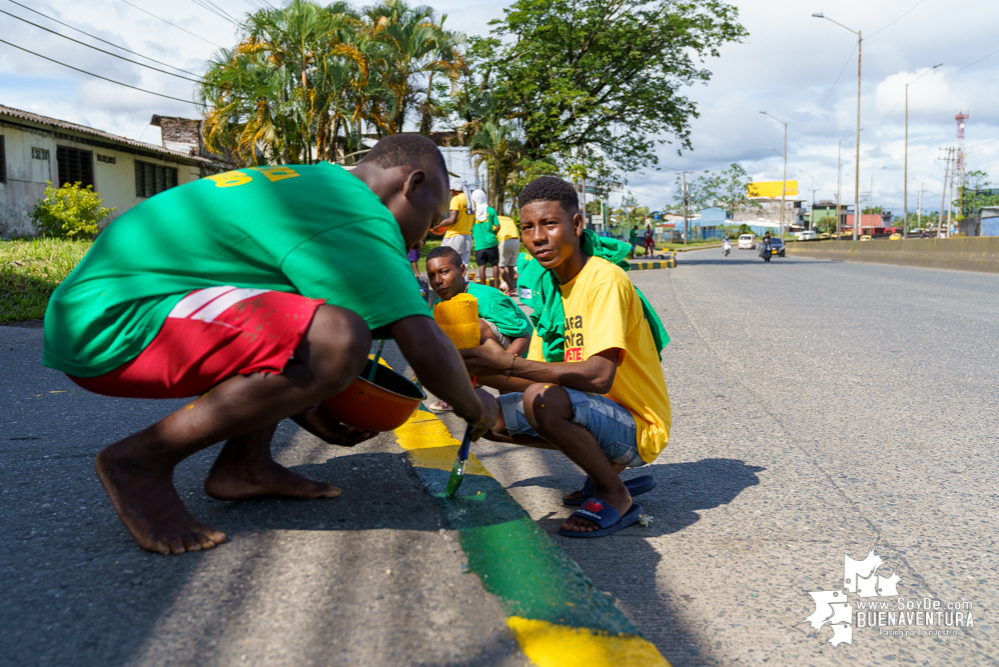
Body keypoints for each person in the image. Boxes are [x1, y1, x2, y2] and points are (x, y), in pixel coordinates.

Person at [43, 133, 498, 555]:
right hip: (110, 321)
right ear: (412, 184)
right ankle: (138, 461)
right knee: (340, 337)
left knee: (314, 316)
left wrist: (308, 401)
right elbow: (420, 341)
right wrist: (476, 409)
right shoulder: (356, 211)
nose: (424, 237)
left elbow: (287, 331)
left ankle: (245, 465)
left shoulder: (319, 184)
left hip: (122, 305)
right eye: (433, 219)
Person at [460, 176, 671, 539]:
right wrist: (478, 369)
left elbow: (599, 377)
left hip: (636, 424)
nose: (537, 237)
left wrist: (507, 364)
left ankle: (613, 492)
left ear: (576, 225)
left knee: (543, 402)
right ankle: (604, 466)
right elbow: (540, 376)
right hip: (593, 410)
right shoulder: (548, 286)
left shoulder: (605, 280)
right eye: (527, 227)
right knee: (487, 416)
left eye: (550, 223)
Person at [424, 245, 534, 411]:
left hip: (520, 354)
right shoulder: (440, 306)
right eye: (432, 276)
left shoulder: (487, 298)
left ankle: (509, 391)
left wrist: (505, 366)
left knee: (474, 326)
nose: (438, 281)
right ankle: (466, 390)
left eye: (444, 271)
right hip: (493, 355)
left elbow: (524, 336)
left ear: (462, 270)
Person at [433, 177, 475, 266]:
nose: (450, 192)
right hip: (467, 238)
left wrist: (438, 226)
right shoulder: (471, 202)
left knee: (446, 264)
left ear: (456, 188)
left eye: (451, 189)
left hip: (454, 237)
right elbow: (472, 221)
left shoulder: (456, 199)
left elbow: (452, 220)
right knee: (463, 267)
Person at [470, 189, 500, 289]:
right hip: (491, 242)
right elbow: (498, 225)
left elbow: (469, 228)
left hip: (479, 245)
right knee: (495, 265)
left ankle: (484, 289)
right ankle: (496, 288)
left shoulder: (472, 213)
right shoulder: (490, 210)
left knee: (482, 267)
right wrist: (493, 234)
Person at [496, 212, 520, 296]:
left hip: (505, 241)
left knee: (500, 266)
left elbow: (494, 231)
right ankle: (509, 289)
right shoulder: (509, 219)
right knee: (511, 266)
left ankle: (510, 286)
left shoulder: (495, 219)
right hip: (516, 241)